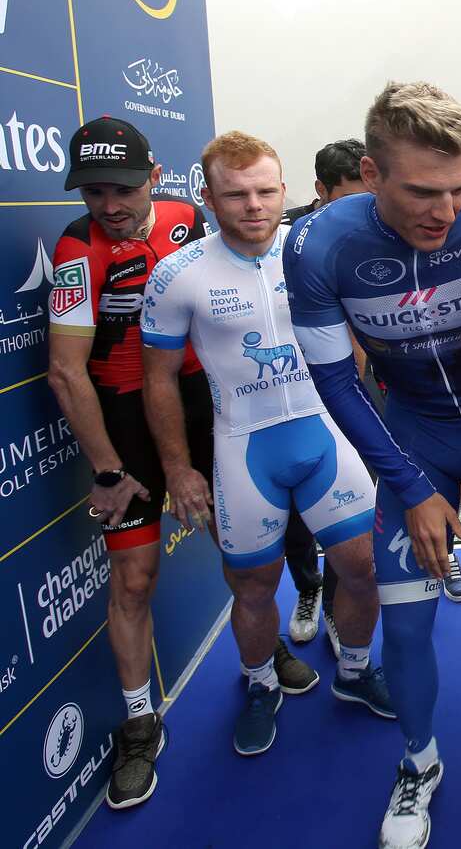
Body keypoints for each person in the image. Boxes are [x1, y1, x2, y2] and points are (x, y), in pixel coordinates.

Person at [285, 82, 461, 849]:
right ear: (370, 174)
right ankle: (420, 764)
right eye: (421, 192)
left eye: (457, 189)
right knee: (405, 626)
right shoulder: (316, 245)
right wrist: (407, 487)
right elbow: (334, 380)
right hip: (414, 443)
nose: (444, 210)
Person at [141, 131, 392, 758]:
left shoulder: (314, 248)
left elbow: (358, 327)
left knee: (362, 567)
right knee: (253, 586)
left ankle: (357, 671)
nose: (254, 205)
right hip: (242, 446)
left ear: (285, 191)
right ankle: (259, 685)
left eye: (265, 191)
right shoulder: (178, 274)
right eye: (236, 194)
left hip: (325, 432)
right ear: (208, 197)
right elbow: (158, 379)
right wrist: (177, 469)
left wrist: (354, 400)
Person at [45, 115, 269, 810]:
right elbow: (65, 372)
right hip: (123, 418)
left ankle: (262, 665)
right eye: (92, 193)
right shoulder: (78, 250)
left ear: (155, 179)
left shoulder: (185, 217)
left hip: (203, 401)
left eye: (122, 189)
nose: (109, 206)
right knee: (133, 578)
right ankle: (141, 722)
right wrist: (110, 469)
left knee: (242, 546)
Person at [278, 137, 368, 651]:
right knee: (294, 508)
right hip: (292, 392)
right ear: (319, 191)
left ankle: (337, 604)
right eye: (347, 198)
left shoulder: (376, 228)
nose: (359, 211)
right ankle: (308, 588)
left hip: (358, 384)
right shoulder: (288, 234)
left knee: (354, 499)